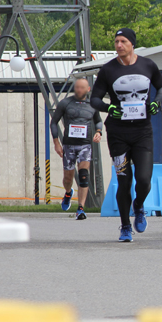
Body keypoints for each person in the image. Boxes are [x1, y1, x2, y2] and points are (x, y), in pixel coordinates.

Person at [91, 28, 162, 242]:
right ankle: (125, 226)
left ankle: (139, 205)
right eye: (116, 41)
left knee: (144, 180)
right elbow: (94, 99)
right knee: (124, 181)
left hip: (142, 132)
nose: (119, 45)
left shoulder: (148, 65)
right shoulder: (108, 69)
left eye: (123, 41)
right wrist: (108, 108)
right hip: (118, 134)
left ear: (132, 43)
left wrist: (157, 102)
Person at [50, 76, 103, 219]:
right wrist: (56, 143)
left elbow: (98, 121)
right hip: (69, 146)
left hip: (85, 145)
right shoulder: (65, 103)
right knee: (68, 178)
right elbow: (54, 122)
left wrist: (99, 132)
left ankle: (80, 208)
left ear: (88, 89)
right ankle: (68, 193)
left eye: (82, 88)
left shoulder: (92, 104)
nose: (79, 90)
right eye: (77, 87)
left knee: (83, 175)